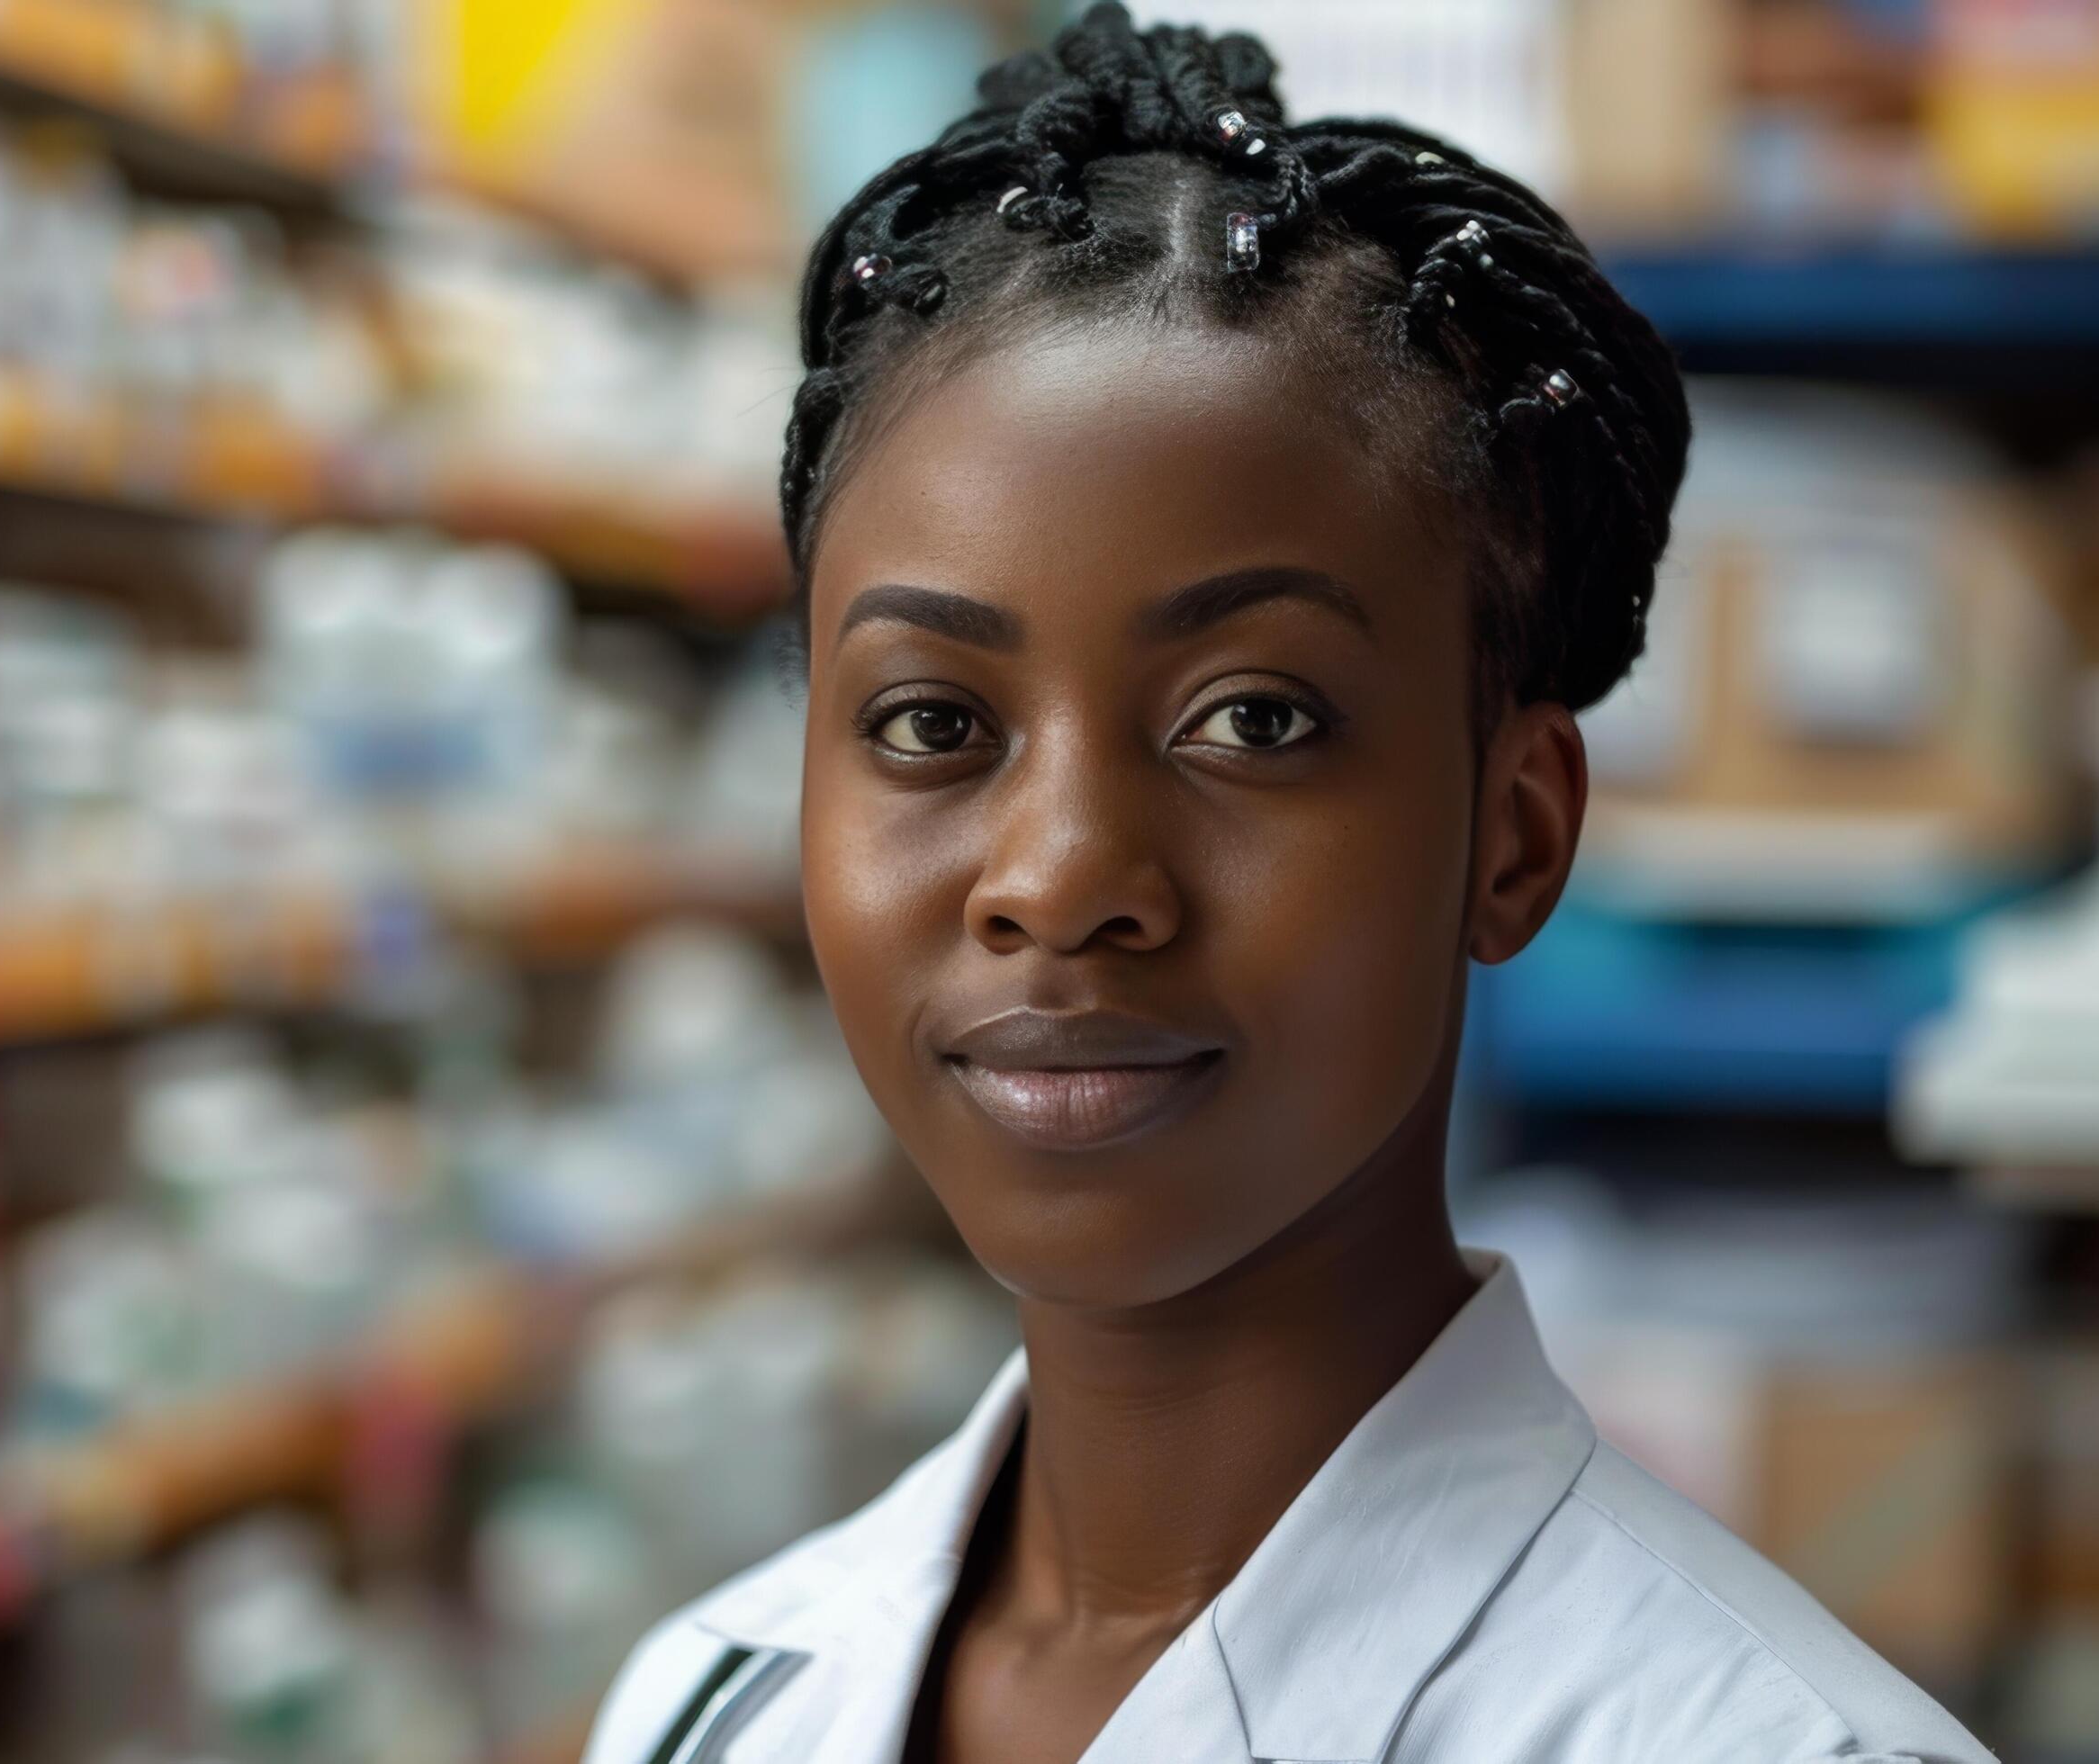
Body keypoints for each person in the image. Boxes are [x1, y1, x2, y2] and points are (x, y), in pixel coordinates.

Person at [581, 9, 1994, 1762]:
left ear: (1516, 831)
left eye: (1253, 716)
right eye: (934, 718)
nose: (1059, 877)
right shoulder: (713, 1701)